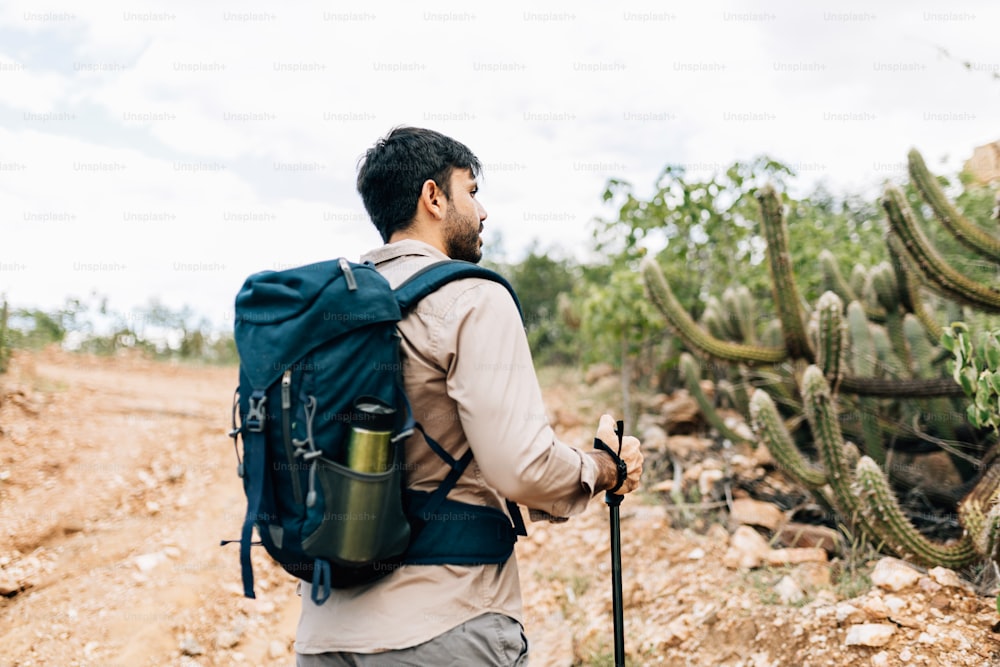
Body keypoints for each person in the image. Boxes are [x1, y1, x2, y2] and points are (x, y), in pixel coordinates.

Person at [294, 126, 643, 666]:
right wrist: (603, 467)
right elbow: (521, 468)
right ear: (433, 197)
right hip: (444, 624)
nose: (483, 212)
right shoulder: (472, 297)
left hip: (325, 634)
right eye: (472, 191)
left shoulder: (329, 313)